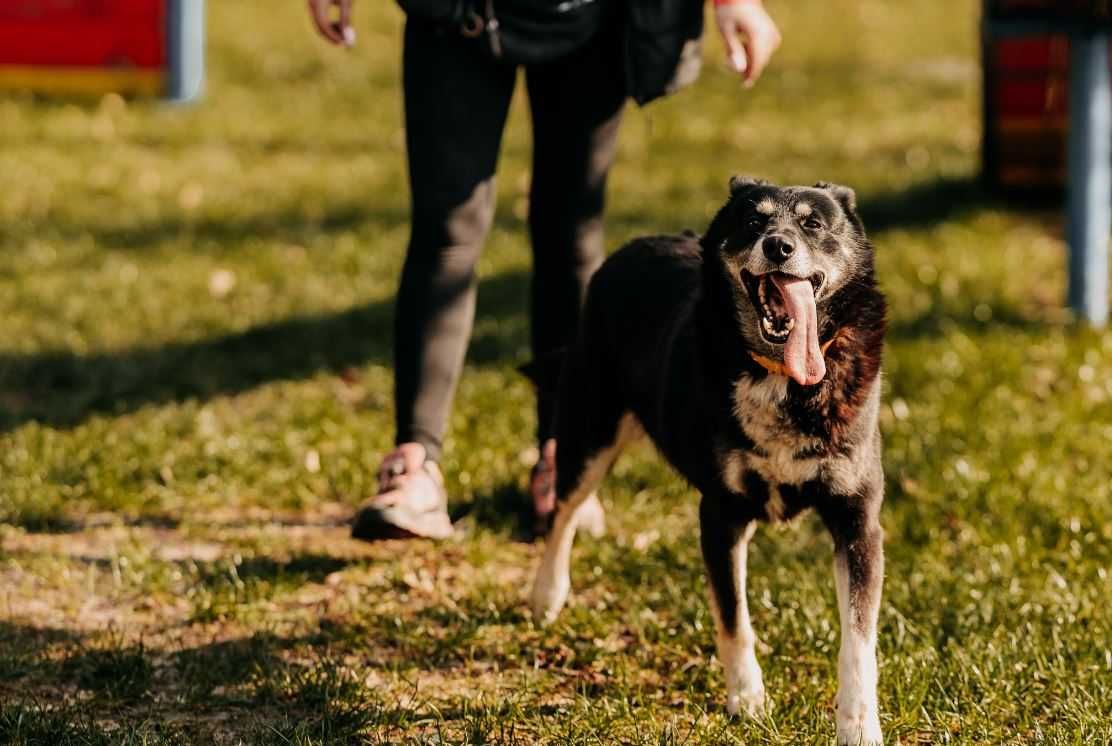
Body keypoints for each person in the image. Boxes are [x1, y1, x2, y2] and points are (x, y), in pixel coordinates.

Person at [306, 0, 782, 540]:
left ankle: (562, 459)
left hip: (589, 23)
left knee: (570, 234)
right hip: (455, 15)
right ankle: (415, 465)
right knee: (445, 232)